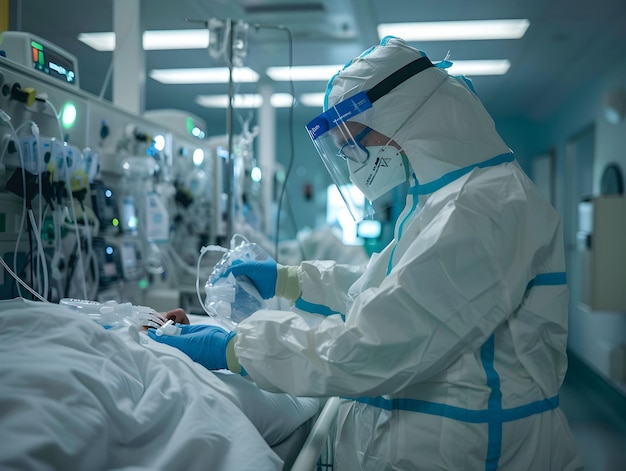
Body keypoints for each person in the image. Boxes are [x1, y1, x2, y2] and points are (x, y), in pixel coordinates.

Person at [151, 37, 583, 470]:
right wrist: (291, 280)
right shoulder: (446, 199)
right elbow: (387, 293)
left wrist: (237, 349)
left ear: (401, 115)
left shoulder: (481, 209)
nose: (350, 157)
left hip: (478, 454)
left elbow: (376, 343)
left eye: (353, 142)